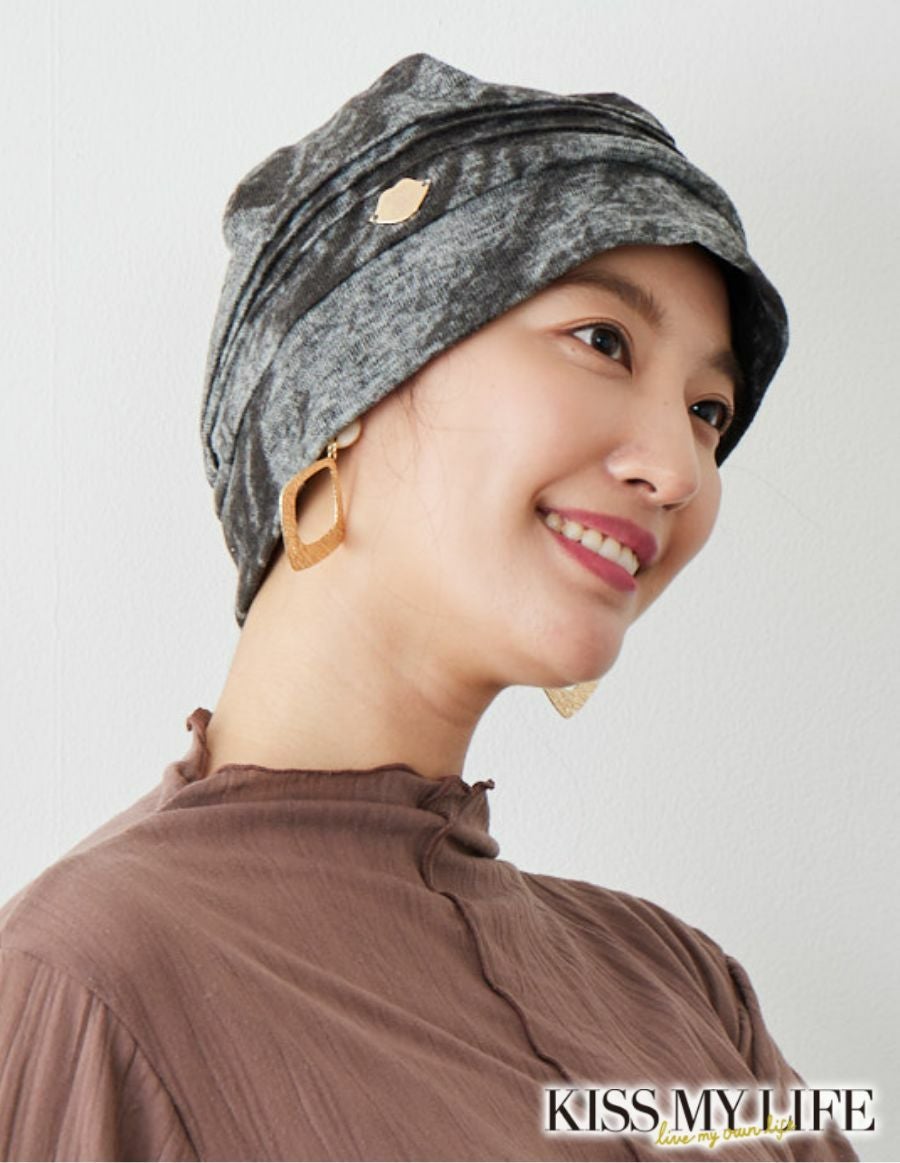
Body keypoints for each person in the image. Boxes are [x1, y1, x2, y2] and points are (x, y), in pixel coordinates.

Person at [0, 54, 859, 1162]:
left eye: (709, 410)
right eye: (603, 340)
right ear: (346, 376)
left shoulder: (684, 986)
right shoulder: (86, 988)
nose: (680, 470)